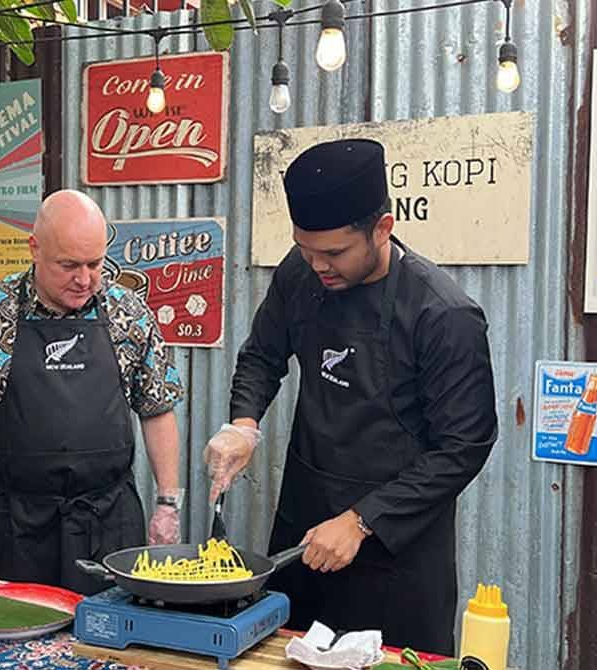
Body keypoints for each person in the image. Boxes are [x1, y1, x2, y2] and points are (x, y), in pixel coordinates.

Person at [204, 139, 497, 654]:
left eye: (335, 252)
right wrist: (242, 426)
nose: (318, 265)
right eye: (304, 249)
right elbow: (262, 356)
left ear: (382, 229)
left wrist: (363, 520)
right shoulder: (301, 275)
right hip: (305, 529)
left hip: (395, 554)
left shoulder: (442, 315)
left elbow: (462, 448)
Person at [0, 189, 185, 594]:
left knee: (109, 646)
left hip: (109, 520)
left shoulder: (129, 313)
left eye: (95, 264)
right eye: (68, 265)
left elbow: (157, 408)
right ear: (34, 249)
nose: (84, 279)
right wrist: (12, 446)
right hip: (17, 526)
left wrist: (168, 503)